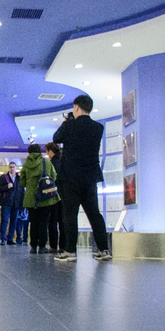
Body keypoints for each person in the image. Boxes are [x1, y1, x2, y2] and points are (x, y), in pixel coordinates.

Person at [52, 94, 111, 262]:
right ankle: (104, 249)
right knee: (94, 214)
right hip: (90, 177)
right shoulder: (98, 128)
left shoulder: (69, 125)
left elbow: (56, 138)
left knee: (70, 214)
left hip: (70, 177)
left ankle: (70, 251)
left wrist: (66, 122)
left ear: (76, 107)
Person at [20, 143, 60, 254]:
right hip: (45, 197)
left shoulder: (26, 165)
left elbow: (22, 182)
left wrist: (30, 184)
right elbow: (54, 176)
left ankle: (33, 246)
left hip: (31, 198)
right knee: (44, 222)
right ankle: (42, 246)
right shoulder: (46, 162)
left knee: (33, 223)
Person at [45, 142, 66, 253]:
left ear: (50, 151)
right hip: (63, 195)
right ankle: (63, 246)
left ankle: (53, 246)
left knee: (52, 222)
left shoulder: (50, 164)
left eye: (47, 152)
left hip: (53, 195)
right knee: (63, 221)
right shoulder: (63, 162)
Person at [0, 161, 19, 245]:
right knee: (5, 220)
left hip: (16, 203)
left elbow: (21, 190)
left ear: (16, 168)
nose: (12, 168)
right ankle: (3, 238)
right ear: (8, 168)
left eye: (13, 167)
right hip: (6, 202)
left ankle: (10, 238)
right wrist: (6, 187)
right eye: (10, 167)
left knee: (14, 221)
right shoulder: (3, 177)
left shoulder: (19, 178)